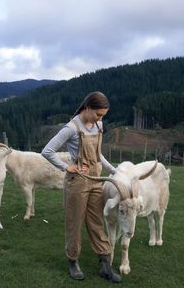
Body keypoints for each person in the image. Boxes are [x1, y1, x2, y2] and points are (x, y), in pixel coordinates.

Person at [41, 91, 121, 283]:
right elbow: (47, 151)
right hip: (77, 182)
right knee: (74, 223)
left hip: (96, 180)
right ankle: (73, 261)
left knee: (96, 222)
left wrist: (113, 170)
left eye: (102, 116)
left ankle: (104, 264)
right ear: (87, 108)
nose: (100, 119)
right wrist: (67, 167)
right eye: (98, 114)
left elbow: (97, 154)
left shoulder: (98, 125)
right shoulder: (70, 128)